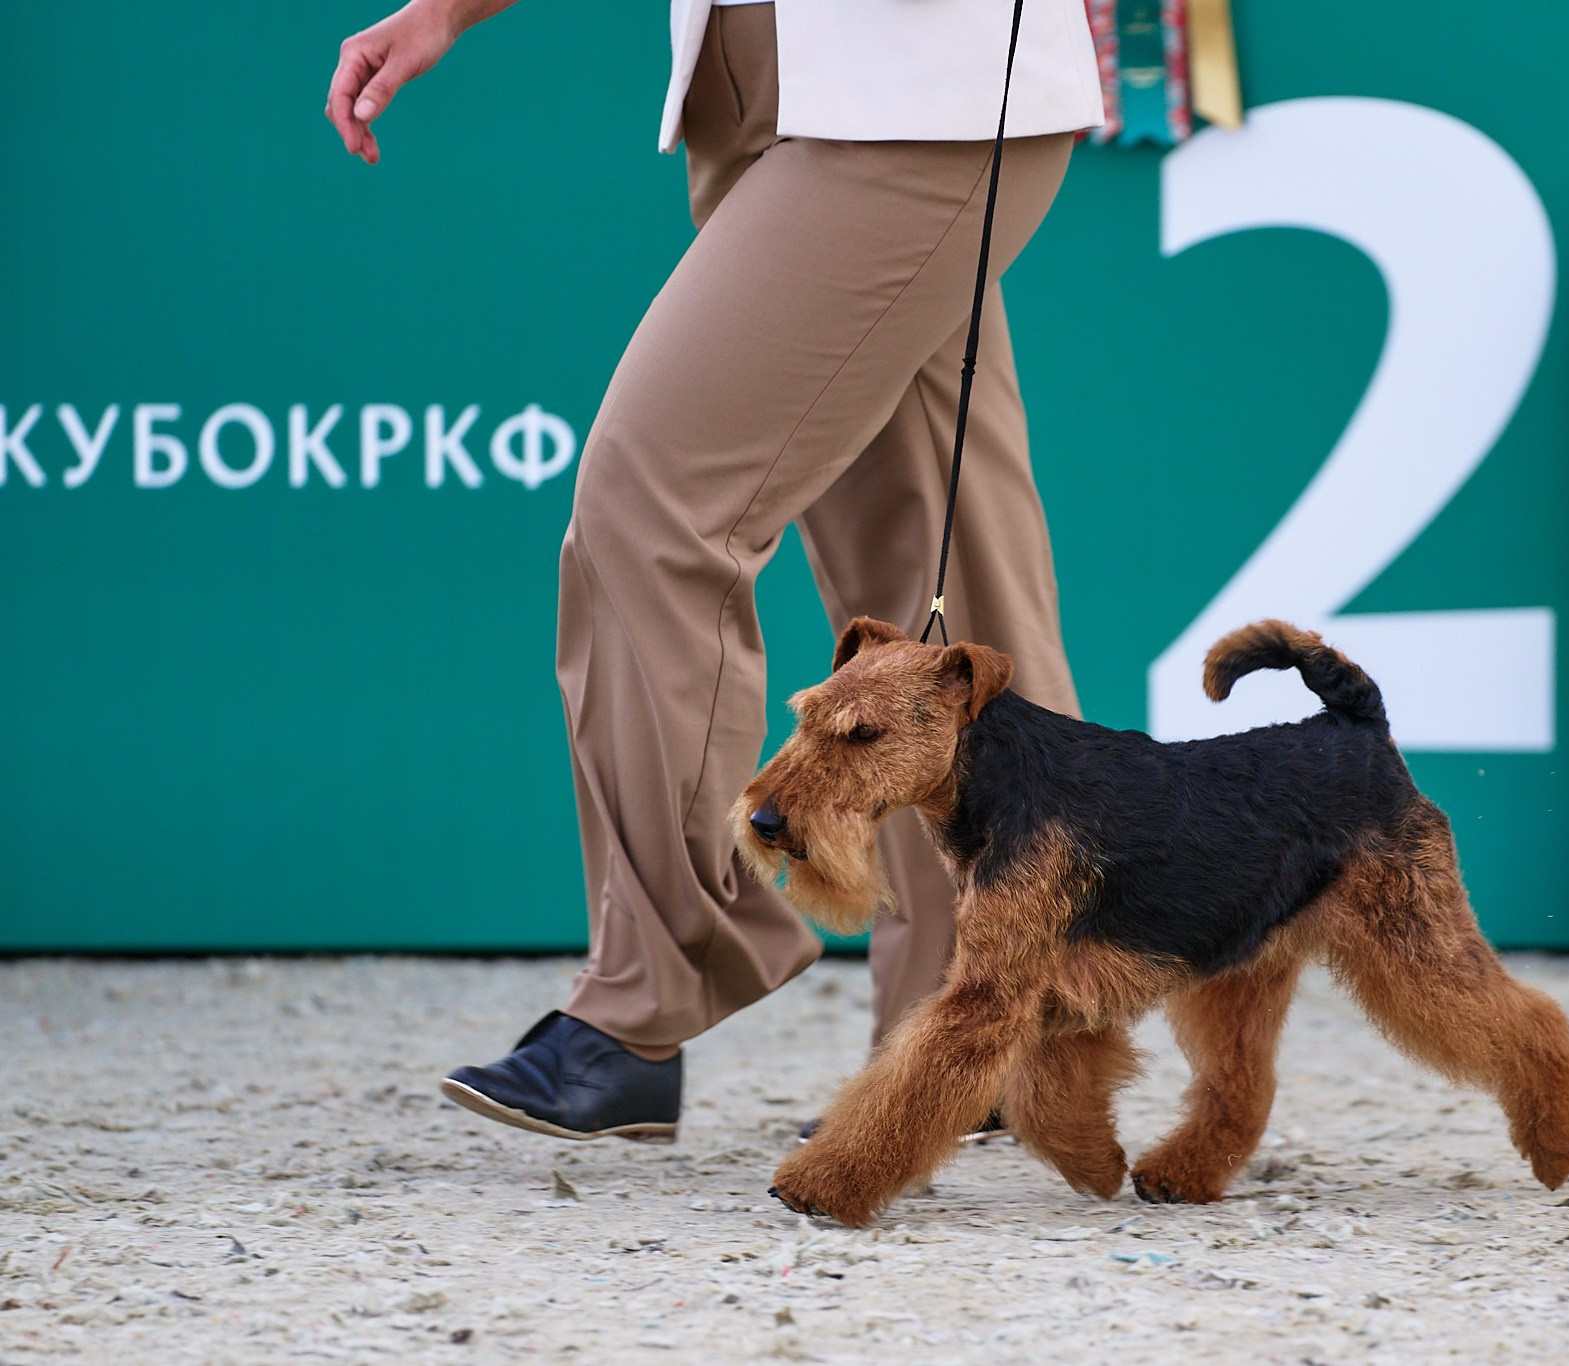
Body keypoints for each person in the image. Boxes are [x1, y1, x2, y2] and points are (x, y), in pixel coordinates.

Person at [326, 0, 1101, 1142]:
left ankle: (657, 984)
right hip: (764, 84)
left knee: (652, 505)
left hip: (916, 89)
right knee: (941, 550)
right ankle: (994, 1016)